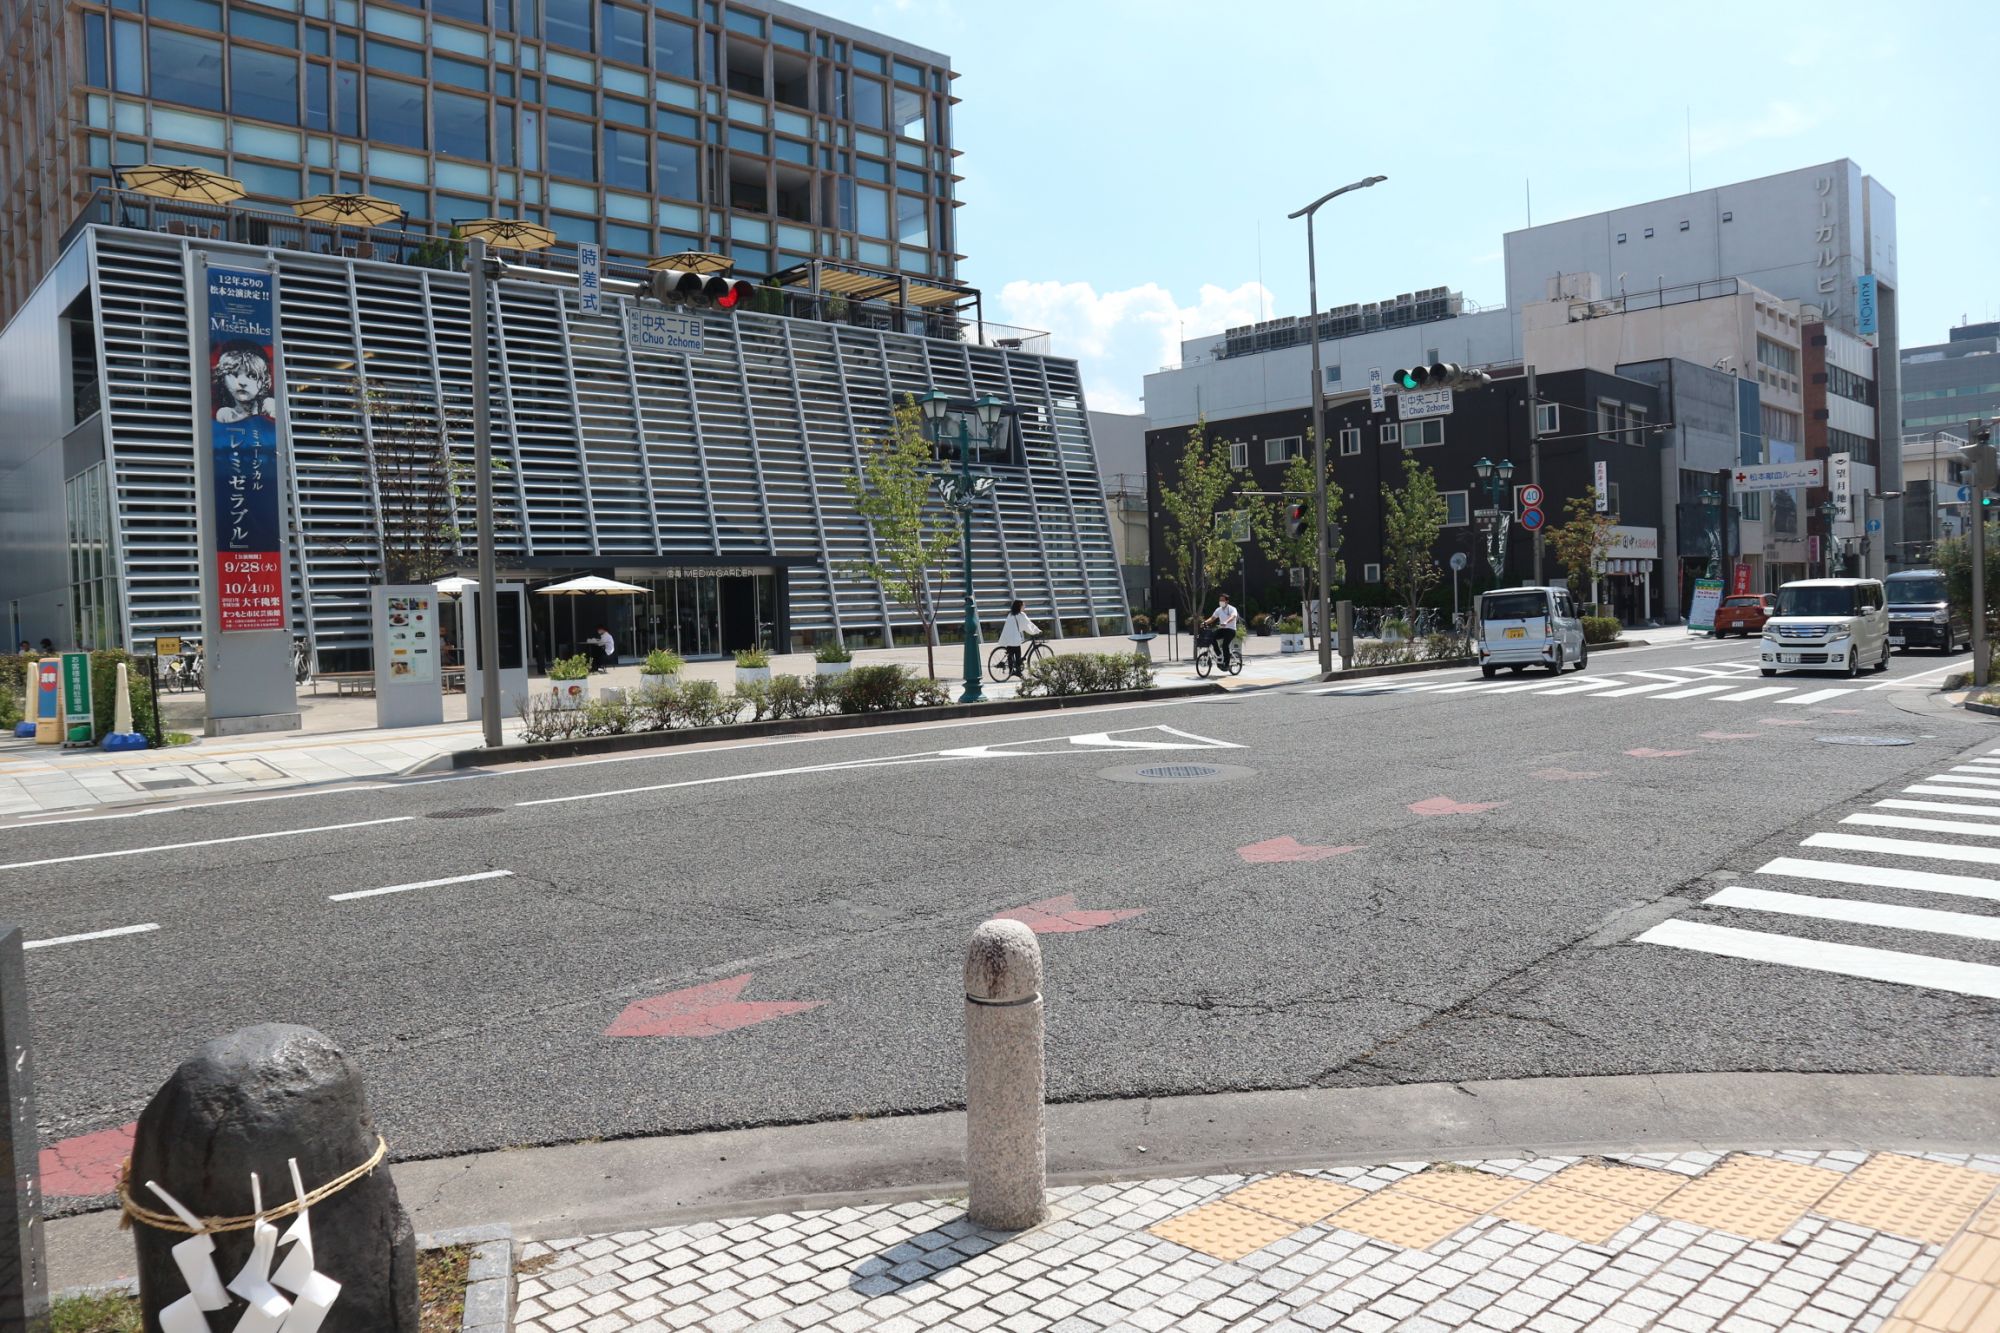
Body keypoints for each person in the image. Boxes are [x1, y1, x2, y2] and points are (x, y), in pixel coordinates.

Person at [211, 342, 276, 424]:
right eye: (234, 374)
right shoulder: (226, 415)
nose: (242, 382)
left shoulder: (270, 406)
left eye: (252, 376)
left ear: (264, 381)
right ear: (223, 379)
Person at [997, 599, 1039, 676]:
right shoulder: (1021, 615)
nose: (1024, 606)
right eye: (1023, 605)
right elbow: (1028, 625)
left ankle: (1011, 671)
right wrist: (1036, 631)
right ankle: (1018, 671)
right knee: (1017, 654)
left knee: (1010, 654)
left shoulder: (1010, 614)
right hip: (1014, 638)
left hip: (1008, 638)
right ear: (1019, 606)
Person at [1207, 593, 1240, 670]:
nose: (1220, 602)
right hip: (1223, 629)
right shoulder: (1219, 609)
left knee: (1225, 645)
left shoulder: (1232, 609)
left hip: (1231, 630)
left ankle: (1226, 664)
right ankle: (1218, 653)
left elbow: (1233, 616)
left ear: (1227, 601)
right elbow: (1212, 618)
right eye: (1220, 600)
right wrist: (1204, 623)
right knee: (1212, 637)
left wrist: (1226, 622)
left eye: (1222, 600)